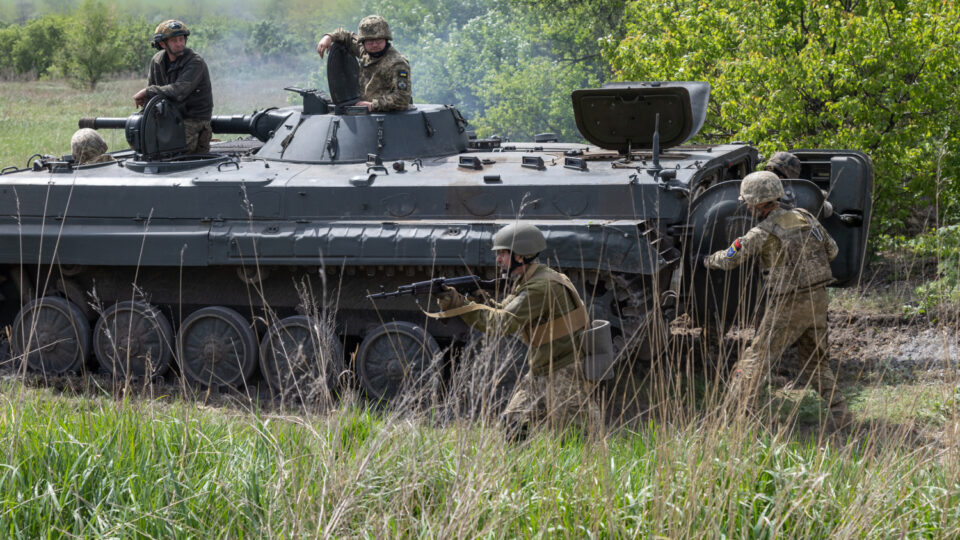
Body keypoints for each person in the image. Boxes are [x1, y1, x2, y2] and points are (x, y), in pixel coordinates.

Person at [702, 171, 854, 430]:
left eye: (748, 203)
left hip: (788, 303)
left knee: (753, 361)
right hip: (818, 299)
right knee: (815, 362)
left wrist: (706, 260)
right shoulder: (805, 217)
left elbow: (729, 259)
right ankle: (841, 415)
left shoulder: (762, 232)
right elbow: (833, 250)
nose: (747, 208)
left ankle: (730, 420)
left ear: (756, 203)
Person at [433, 223, 601, 442]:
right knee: (513, 424)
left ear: (520, 256)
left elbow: (500, 324)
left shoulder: (540, 287)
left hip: (563, 371)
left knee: (575, 439)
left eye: (503, 253)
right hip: (542, 369)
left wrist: (459, 305)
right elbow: (503, 309)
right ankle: (517, 473)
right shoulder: (533, 279)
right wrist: (475, 299)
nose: (498, 260)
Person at [132, 19, 213, 154]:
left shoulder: (194, 61)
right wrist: (145, 111)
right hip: (167, 117)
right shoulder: (157, 61)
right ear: (163, 44)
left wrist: (148, 91)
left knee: (173, 150)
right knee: (138, 133)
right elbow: (152, 92)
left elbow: (179, 91)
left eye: (181, 39)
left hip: (192, 119)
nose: (180, 44)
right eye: (174, 41)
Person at [315, 15, 412, 112]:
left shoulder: (397, 64)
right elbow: (346, 36)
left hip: (388, 117)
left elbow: (402, 98)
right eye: (370, 41)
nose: (374, 45)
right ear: (363, 42)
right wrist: (329, 37)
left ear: (386, 39)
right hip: (364, 115)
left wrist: (374, 105)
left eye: (378, 40)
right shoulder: (365, 51)